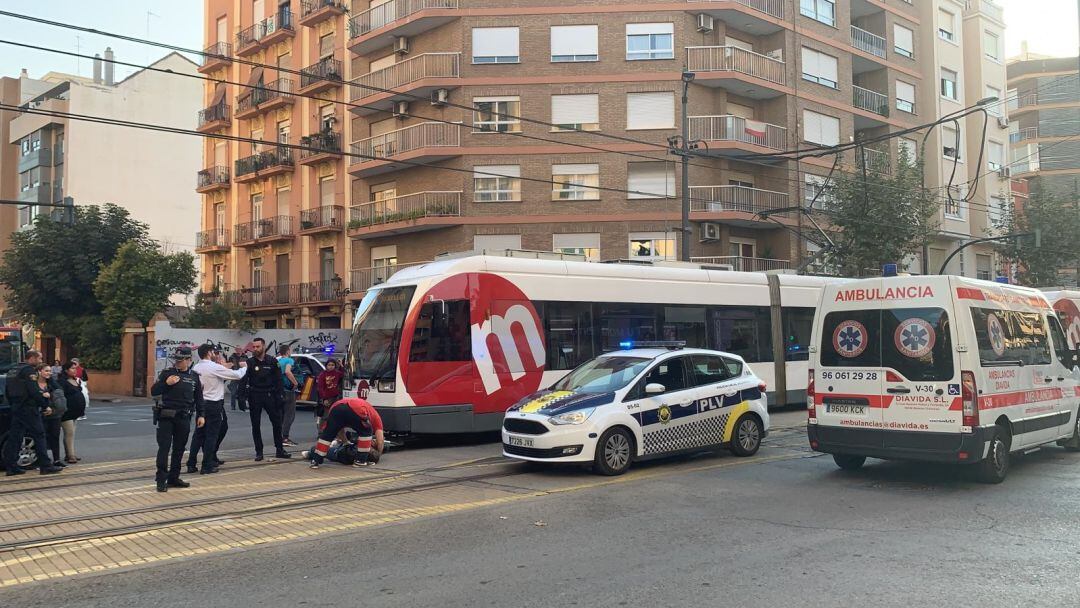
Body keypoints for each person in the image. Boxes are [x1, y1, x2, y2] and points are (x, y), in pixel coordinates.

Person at [150, 346, 205, 492]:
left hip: (184, 416)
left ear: (189, 360)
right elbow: (154, 391)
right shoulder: (167, 373)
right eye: (176, 360)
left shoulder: (194, 376)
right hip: (167, 416)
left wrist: (201, 415)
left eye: (181, 361)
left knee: (179, 449)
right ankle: (161, 479)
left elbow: (199, 398)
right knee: (164, 448)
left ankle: (174, 477)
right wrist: (166, 383)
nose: (178, 363)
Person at [187, 345, 246, 475]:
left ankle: (191, 464)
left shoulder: (196, 367)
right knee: (212, 435)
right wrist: (245, 367)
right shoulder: (213, 367)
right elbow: (236, 375)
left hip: (201, 404)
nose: (215, 354)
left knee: (198, 434)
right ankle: (207, 465)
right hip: (214, 405)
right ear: (209, 353)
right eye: (214, 352)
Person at [2, 350, 62, 476]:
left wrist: (14, 404)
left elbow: (7, 390)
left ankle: (11, 466)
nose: (40, 361)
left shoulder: (14, 369)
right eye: (39, 358)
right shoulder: (28, 370)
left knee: (15, 437)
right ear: (32, 358)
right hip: (28, 408)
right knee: (39, 435)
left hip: (16, 407)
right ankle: (45, 465)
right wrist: (45, 405)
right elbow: (34, 391)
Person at [238, 338, 291, 461]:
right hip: (255, 395)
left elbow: (278, 380)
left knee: (277, 423)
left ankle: (279, 449)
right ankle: (259, 452)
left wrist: (281, 396)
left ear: (263, 347)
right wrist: (241, 397)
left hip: (270, 395)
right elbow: (243, 379)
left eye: (258, 347)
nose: (255, 349)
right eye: (254, 347)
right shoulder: (250, 362)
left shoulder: (272, 361)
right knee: (255, 425)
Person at [305, 397, 384, 469]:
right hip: (356, 409)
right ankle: (360, 461)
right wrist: (378, 454)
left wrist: (346, 442)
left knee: (327, 436)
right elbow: (380, 441)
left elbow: (339, 430)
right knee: (366, 432)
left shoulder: (367, 408)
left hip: (336, 408)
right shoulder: (376, 417)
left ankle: (315, 461)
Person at [36, 364, 67, 468]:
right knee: (41, 438)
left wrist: (51, 397)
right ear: (39, 371)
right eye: (46, 371)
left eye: (50, 371)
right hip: (39, 415)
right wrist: (41, 395)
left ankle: (57, 460)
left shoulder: (53, 384)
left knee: (55, 437)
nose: (49, 373)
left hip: (54, 415)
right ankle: (42, 461)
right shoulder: (33, 384)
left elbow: (60, 398)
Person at [59, 361, 86, 464]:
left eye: (76, 368)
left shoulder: (75, 380)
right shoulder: (62, 381)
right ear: (66, 370)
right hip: (67, 412)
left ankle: (70, 454)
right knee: (69, 433)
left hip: (75, 412)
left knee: (72, 433)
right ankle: (71, 455)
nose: (75, 370)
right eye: (72, 368)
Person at [277, 345, 299, 447]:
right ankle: (285, 438)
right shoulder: (289, 360)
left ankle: (279, 437)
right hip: (288, 390)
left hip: (279, 390)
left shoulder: (278, 361)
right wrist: (295, 383)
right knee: (289, 415)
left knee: (281, 415)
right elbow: (287, 371)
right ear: (287, 351)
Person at [314, 358, 344, 429]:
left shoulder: (337, 373)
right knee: (325, 416)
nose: (331, 366)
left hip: (336, 397)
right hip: (327, 398)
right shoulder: (322, 375)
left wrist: (341, 365)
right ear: (326, 366)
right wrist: (324, 399)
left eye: (333, 365)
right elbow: (320, 388)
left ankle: (335, 434)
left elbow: (343, 374)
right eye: (329, 365)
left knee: (336, 416)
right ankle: (321, 433)